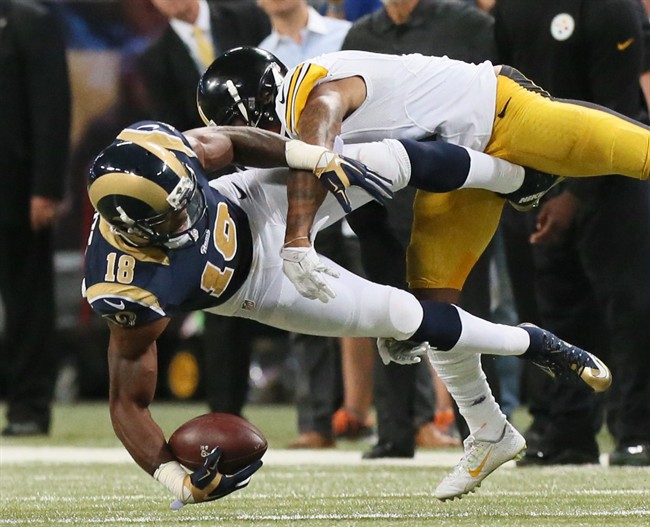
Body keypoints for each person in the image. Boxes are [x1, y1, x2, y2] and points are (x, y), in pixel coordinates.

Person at [196, 45, 649, 498]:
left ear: (253, 111)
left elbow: (321, 115)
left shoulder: (308, 95)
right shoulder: (308, 136)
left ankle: (519, 180)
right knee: (433, 309)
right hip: (456, 171)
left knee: (641, 152)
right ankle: (489, 430)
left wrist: (297, 240)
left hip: (504, 112)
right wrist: (393, 320)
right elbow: (367, 214)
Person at [84, 120, 611, 505]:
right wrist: (174, 477)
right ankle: (535, 343)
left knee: (388, 158)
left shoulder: (161, 155)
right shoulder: (128, 289)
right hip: (259, 288)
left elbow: (237, 140)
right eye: (174, 214)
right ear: (137, 229)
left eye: (184, 196)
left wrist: (305, 156)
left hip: (249, 201)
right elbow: (127, 402)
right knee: (405, 316)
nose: (188, 210)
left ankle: (518, 177)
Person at [493, 0, 650, 467]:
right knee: (548, 310)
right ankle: (564, 430)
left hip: (618, 178)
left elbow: (619, 106)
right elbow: (497, 92)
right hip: (534, 178)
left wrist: (573, 194)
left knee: (630, 307)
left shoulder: (613, 8)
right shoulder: (511, 9)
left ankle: (637, 429)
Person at [339, 0, 498, 458]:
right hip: (382, 200)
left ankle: (485, 428)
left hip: (455, 198)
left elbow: (494, 102)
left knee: (469, 319)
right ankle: (394, 431)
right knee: (388, 318)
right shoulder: (360, 37)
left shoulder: (470, 26)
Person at [140, 0, 272, 416]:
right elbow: (171, 137)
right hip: (213, 190)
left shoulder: (248, 18)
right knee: (221, 295)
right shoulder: (155, 60)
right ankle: (226, 411)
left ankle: (324, 411)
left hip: (280, 166)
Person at [0, 0, 71, 437]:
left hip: (16, 191)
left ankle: (29, 407)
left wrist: (45, 187)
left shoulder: (30, 23)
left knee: (27, 304)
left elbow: (52, 108)